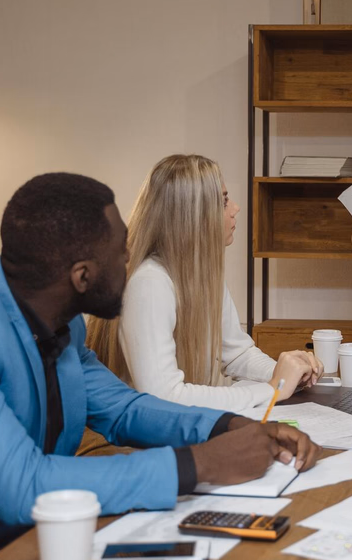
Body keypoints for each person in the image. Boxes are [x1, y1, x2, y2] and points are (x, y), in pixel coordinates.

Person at [0, 173, 320, 560]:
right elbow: (22, 486)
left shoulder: (60, 319)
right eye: (121, 250)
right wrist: (199, 465)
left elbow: (124, 410)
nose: (130, 256)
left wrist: (227, 426)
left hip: (33, 546)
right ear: (82, 276)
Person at [86, 155, 322, 416]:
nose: (235, 208)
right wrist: (272, 389)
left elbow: (237, 354)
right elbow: (164, 396)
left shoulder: (200, 274)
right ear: (194, 215)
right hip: (135, 437)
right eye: (223, 201)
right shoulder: (149, 284)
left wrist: (290, 371)